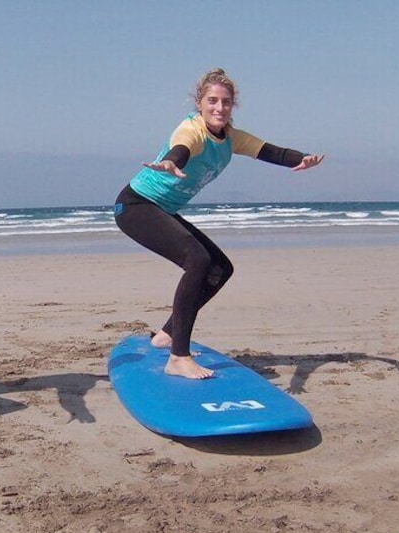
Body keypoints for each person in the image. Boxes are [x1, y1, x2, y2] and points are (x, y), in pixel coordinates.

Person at [114, 68, 324, 380]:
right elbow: (182, 147)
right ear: (199, 103)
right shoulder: (192, 131)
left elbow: (271, 152)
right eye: (212, 101)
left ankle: (167, 335)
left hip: (163, 209)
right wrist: (172, 161)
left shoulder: (230, 139)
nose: (219, 108)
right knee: (197, 260)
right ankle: (178, 358)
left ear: (232, 106)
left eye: (226, 102)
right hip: (136, 206)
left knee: (220, 269)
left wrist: (302, 158)